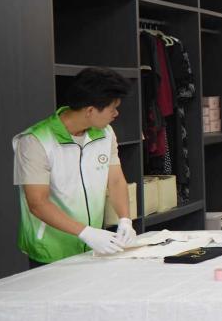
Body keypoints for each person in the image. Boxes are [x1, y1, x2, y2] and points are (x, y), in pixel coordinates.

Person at [13, 68, 136, 265]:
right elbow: (37, 203)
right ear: (90, 110)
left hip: (94, 248)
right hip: (51, 249)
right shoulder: (35, 141)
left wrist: (125, 220)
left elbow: (115, 181)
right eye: (112, 108)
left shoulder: (105, 133)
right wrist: (86, 233)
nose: (116, 113)